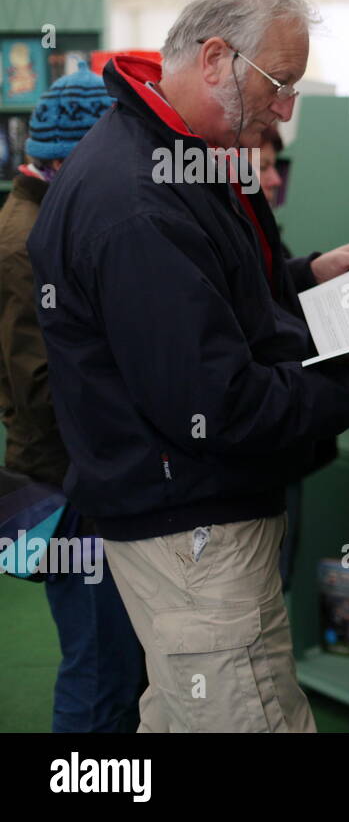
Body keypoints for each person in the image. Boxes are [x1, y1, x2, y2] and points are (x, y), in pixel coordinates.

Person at [28, 0, 349, 733]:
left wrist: (303, 277)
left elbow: (208, 301)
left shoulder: (171, 152)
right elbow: (217, 404)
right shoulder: (138, 200)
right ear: (217, 58)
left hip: (182, 516)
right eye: (280, 84)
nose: (287, 110)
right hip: (193, 525)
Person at [0, 61, 145, 732]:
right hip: (69, 490)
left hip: (72, 481)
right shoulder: (27, 241)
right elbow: (40, 388)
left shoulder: (40, 219)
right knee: (99, 671)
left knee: (111, 664)